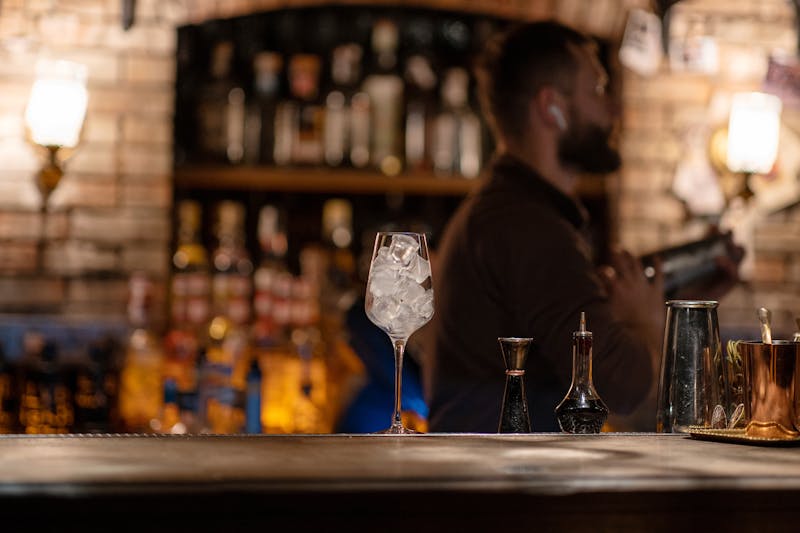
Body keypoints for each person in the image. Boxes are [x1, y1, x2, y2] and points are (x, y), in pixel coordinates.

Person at [422, 20, 739, 433]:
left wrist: (677, 306)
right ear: (551, 107)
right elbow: (622, 387)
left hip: (495, 477)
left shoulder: (509, 213)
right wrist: (646, 324)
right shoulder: (528, 228)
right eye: (599, 90)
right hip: (502, 486)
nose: (615, 111)